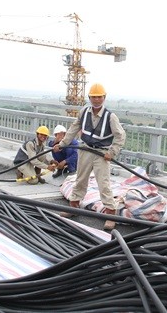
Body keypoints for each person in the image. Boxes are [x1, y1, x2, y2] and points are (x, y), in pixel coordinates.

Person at [53, 83, 126, 230]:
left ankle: (110, 214)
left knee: (103, 183)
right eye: (93, 97)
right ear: (89, 98)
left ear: (104, 98)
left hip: (101, 153)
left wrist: (111, 152)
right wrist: (63, 143)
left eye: (99, 97)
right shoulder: (84, 112)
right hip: (85, 150)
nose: (96, 100)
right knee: (81, 179)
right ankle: (74, 206)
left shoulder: (110, 116)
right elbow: (74, 128)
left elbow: (120, 136)